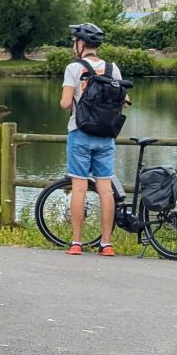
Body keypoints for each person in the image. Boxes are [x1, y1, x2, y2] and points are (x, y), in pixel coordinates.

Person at [61, 23, 123, 256]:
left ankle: (76, 243)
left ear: (81, 44)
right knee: (105, 190)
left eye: (74, 42)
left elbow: (66, 103)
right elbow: (125, 99)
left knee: (79, 189)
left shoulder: (74, 68)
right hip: (105, 136)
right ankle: (106, 244)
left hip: (80, 133)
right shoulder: (112, 68)